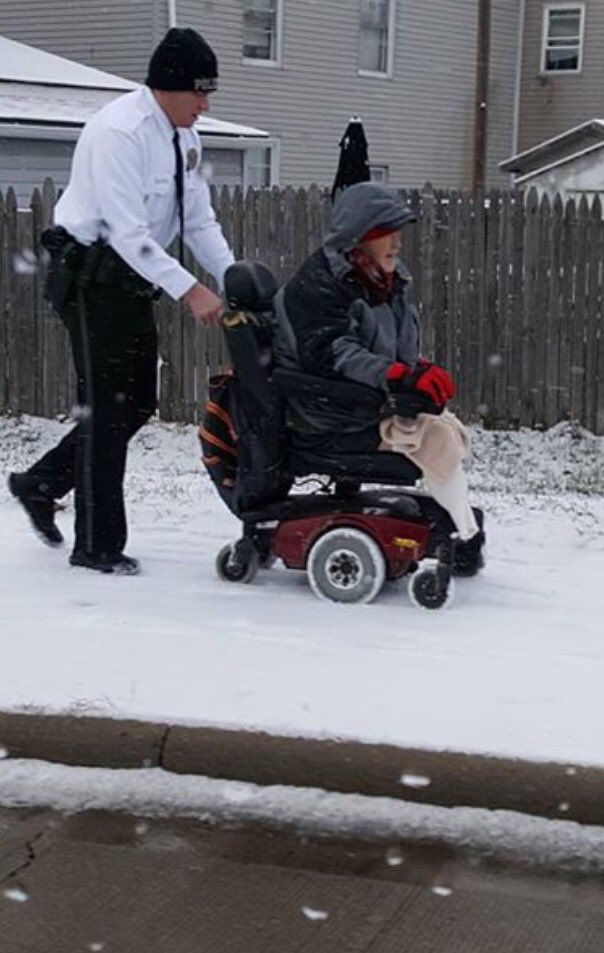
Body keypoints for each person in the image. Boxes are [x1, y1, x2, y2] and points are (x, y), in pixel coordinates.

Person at [8, 28, 235, 575]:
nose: (206, 105)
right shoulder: (119, 132)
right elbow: (128, 233)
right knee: (108, 409)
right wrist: (191, 288)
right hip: (89, 279)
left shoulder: (184, 137)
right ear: (168, 88)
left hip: (130, 281)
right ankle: (97, 547)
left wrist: (235, 278)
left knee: (135, 404)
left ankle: (39, 483)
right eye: (199, 93)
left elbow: (197, 219)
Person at [272, 181, 484, 571]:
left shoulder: (383, 279)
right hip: (330, 412)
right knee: (437, 438)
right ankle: (464, 532)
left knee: (448, 426)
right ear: (361, 237)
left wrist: (414, 373)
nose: (397, 244)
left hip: (367, 400)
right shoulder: (319, 287)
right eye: (387, 234)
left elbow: (388, 347)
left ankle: (459, 523)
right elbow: (334, 354)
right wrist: (398, 375)